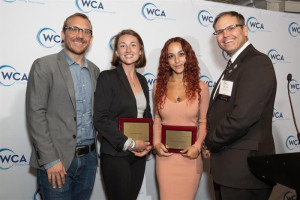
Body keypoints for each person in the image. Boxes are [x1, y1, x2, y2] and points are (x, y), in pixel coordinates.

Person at [202, 11, 277, 200]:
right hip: (230, 171)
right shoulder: (234, 65)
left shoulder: (256, 62)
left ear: (245, 29)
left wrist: (209, 142)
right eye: (219, 31)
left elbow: (241, 118)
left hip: (244, 173)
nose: (225, 34)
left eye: (230, 28)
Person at [26, 13, 100, 200]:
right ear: (62, 34)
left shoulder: (95, 71)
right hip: (57, 161)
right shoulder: (44, 65)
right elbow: (36, 114)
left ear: (91, 39)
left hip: (89, 160)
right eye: (73, 29)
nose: (79, 35)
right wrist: (51, 160)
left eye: (85, 31)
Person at [93, 29, 152, 200]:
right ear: (117, 52)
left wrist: (148, 144)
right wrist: (130, 143)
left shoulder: (142, 80)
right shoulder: (107, 77)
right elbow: (100, 119)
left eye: (133, 45)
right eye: (123, 46)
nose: (128, 50)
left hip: (139, 154)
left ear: (140, 50)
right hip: (116, 154)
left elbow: (146, 115)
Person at [153, 37, 209, 200]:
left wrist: (198, 147)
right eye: (171, 56)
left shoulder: (201, 88)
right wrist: (156, 143)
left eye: (181, 54)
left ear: (188, 57)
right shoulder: (158, 86)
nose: (177, 60)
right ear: (166, 60)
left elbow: (203, 122)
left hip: (190, 157)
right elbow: (157, 119)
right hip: (165, 158)